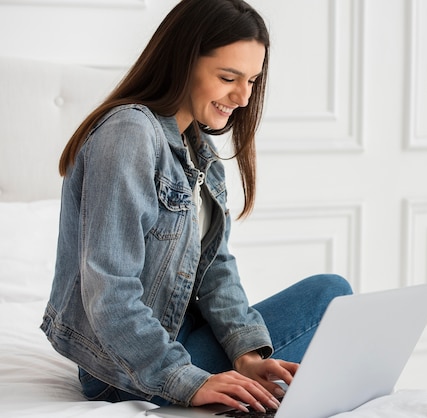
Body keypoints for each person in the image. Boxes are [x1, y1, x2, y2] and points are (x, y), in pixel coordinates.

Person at [40, 0, 352, 413]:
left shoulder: (198, 150)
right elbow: (109, 290)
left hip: (176, 334)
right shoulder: (129, 134)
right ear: (183, 62)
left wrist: (247, 357)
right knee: (330, 298)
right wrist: (187, 381)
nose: (242, 97)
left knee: (331, 294)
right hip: (123, 368)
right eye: (228, 77)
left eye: (253, 81)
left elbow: (215, 270)